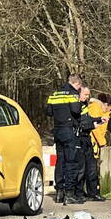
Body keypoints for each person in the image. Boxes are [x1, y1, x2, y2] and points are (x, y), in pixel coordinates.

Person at [47, 73, 83, 204]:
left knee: (60, 161)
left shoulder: (55, 94)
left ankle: (59, 192)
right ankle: (69, 193)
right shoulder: (73, 94)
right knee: (71, 161)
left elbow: (49, 112)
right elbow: (76, 110)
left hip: (57, 130)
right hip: (69, 130)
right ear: (77, 84)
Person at [73, 87, 108, 202]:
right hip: (80, 138)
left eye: (88, 95)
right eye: (85, 94)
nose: (87, 97)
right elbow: (81, 123)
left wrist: (99, 119)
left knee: (92, 167)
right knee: (81, 169)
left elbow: (88, 119)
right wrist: (93, 126)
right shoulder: (76, 106)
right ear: (79, 94)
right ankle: (78, 193)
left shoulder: (85, 105)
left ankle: (93, 192)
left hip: (87, 138)